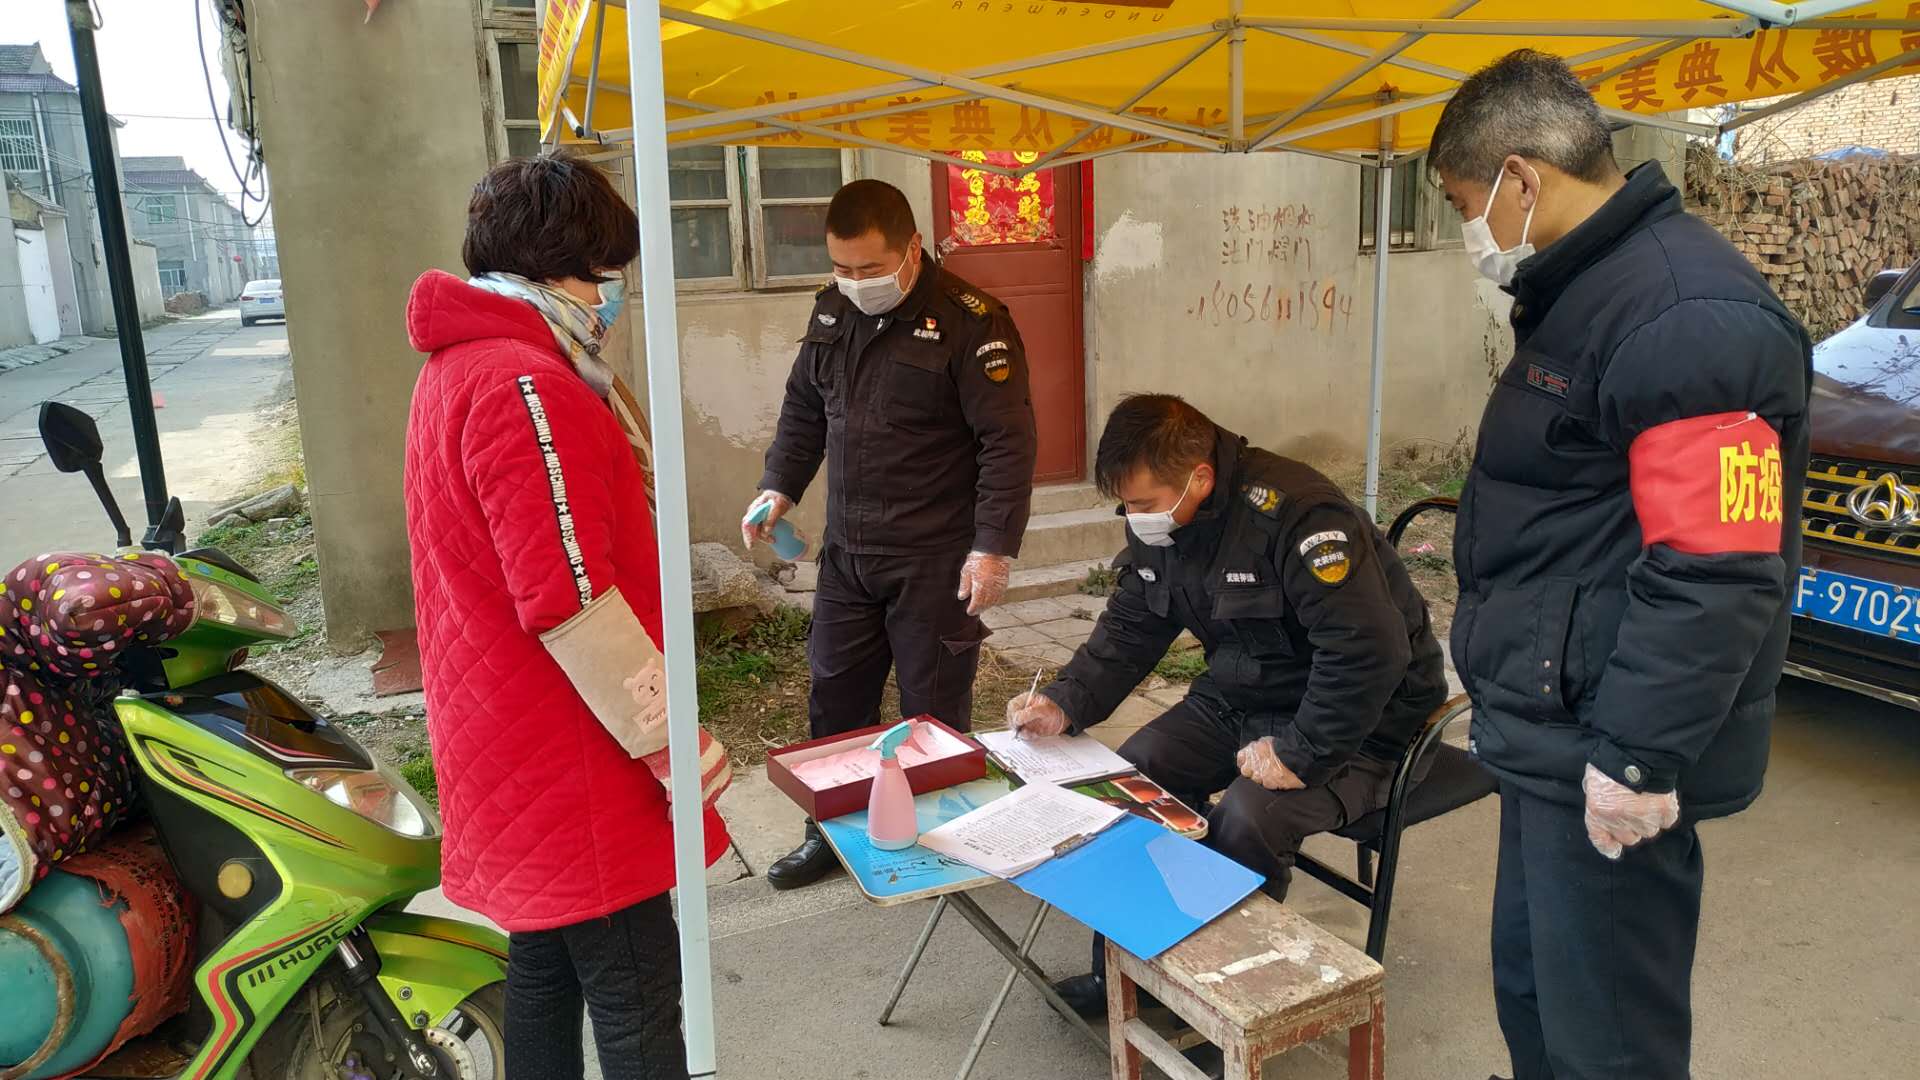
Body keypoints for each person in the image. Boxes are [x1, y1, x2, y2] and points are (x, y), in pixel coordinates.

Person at [1427, 51, 1811, 1080]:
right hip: (1553, 732)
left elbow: (1716, 568)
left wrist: (1636, 759)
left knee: (1608, 1041)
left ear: (1520, 179)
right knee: (1537, 1001)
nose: (1470, 233)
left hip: (1607, 746)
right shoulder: (1590, 291)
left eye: (1464, 206)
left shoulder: (1687, 315)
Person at [403, 152, 731, 1080]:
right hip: (574, 746)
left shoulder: (461, 366)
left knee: (544, 971)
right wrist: (671, 744)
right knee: (636, 996)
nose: (610, 295)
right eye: (605, 272)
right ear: (562, 266)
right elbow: (570, 595)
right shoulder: (526, 383)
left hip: (512, 730)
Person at [1006, 394, 1448, 1017]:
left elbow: (1369, 653)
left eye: (1144, 504)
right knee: (1135, 777)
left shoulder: (1300, 516)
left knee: (1247, 818)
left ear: (1201, 477)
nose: (1136, 519)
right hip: (1244, 692)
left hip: (1364, 723)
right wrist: (1065, 698)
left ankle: (1225, 1007)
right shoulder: (1166, 518)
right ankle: (1127, 978)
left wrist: (1302, 751)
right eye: (1127, 505)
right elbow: (1134, 622)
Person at [749, 178, 1038, 890]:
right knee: (835, 698)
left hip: (934, 559)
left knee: (930, 709)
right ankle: (828, 834)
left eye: (870, 268)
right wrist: (779, 486)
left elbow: (1007, 444)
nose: (855, 282)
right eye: (841, 267)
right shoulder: (832, 310)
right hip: (849, 553)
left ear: (913, 249)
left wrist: (992, 548)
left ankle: (934, 836)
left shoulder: (973, 323)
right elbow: (804, 408)